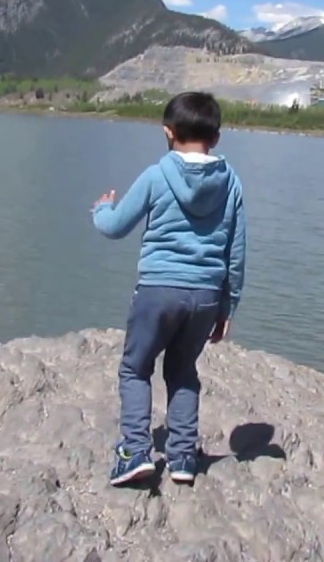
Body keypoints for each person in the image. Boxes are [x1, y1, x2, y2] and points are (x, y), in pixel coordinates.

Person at [91, 91, 247, 486]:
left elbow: (114, 227)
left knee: (135, 367)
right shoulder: (231, 183)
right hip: (206, 297)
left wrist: (101, 209)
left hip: (159, 290)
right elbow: (237, 251)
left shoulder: (157, 175)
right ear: (216, 138)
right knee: (182, 371)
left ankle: (134, 452)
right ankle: (181, 458)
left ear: (167, 131)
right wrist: (227, 307)